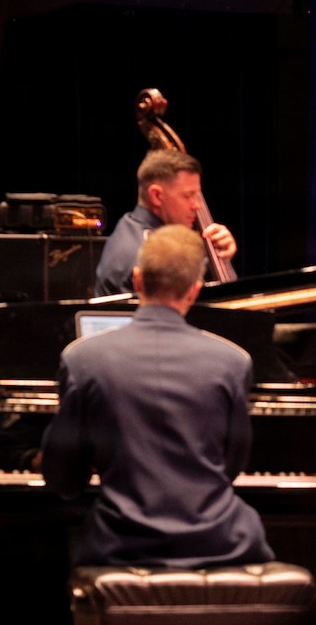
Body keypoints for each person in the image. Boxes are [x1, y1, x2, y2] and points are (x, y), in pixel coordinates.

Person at [43, 225, 271, 568]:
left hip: (121, 546)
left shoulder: (82, 359)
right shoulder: (233, 362)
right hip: (221, 543)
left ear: (137, 280)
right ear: (194, 291)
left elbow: (63, 479)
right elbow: (232, 466)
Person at [94, 150, 238, 296]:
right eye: (188, 195)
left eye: (197, 195)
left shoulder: (131, 226)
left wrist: (220, 257)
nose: (197, 205)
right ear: (156, 196)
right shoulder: (147, 254)